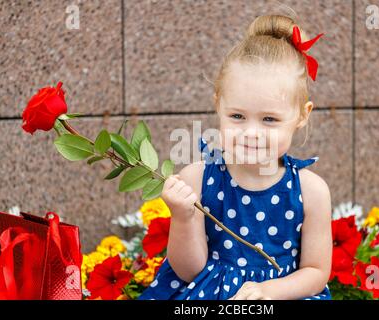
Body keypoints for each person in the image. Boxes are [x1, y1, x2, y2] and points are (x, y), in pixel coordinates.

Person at [138, 14, 332, 300]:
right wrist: (182, 216)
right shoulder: (198, 178)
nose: (251, 133)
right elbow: (189, 271)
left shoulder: (310, 190)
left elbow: (316, 271)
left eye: (269, 119)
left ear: (302, 115)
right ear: (219, 104)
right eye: (237, 116)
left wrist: (268, 291)